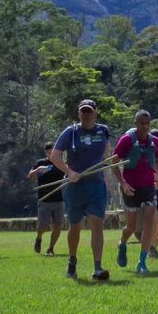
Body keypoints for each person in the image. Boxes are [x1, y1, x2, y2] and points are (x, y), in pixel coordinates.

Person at [48, 99, 113, 281]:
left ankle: (98, 267)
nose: (86, 114)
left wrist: (105, 173)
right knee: (75, 226)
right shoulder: (72, 132)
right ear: (79, 113)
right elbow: (55, 155)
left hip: (96, 185)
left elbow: (106, 155)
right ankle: (72, 260)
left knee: (97, 223)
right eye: (83, 111)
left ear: (95, 113)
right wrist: (69, 172)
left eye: (89, 111)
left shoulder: (103, 131)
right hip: (75, 186)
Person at [113, 111, 158, 275]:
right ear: (135, 123)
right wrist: (123, 184)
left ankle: (142, 262)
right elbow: (114, 163)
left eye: (147, 123)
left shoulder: (153, 142)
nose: (145, 126)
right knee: (132, 226)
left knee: (150, 220)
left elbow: (156, 160)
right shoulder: (126, 140)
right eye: (142, 123)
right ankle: (122, 244)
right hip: (131, 187)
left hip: (148, 187)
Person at [29, 143, 64, 256]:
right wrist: (38, 170)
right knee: (43, 226)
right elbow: (30, 177)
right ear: (46, 153)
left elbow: (68, 174)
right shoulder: (41, 163)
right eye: (49, 152)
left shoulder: (61, 163)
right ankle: (39, 238)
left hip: (59, 199)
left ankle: (51, 248)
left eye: (53, 152)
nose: (51, 154)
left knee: (58, 225)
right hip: (44, 199)